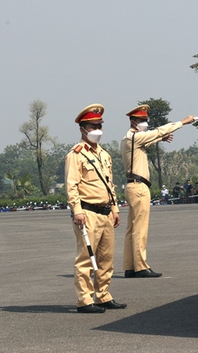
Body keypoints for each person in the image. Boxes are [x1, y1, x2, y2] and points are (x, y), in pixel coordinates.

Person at [121, 104, 195, 278]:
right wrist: (183, 122)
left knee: (132, 228)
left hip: (133, 186)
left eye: (146, 120)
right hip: (139, 187)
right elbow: (158, 131)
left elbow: (151, 138)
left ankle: (130, 266)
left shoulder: (128, 139)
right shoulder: (135, 137)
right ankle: (140, 267)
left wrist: (159, 139)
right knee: (140, 229)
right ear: (132, 121)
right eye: (142, 120)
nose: (145, 123)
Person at [65, 103, 127, 313]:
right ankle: (85, 300)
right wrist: (77, 210)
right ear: (83, 128)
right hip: (87, 213)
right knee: (85, 259)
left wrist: (115, 208)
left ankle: (103, 295)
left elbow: (110, 184)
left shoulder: (104, 154)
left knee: (106, 258)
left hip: (106, 212)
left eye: (99, 126)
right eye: (93, 126)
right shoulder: (76, 154)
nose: (97, 131)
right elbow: (71, 184)